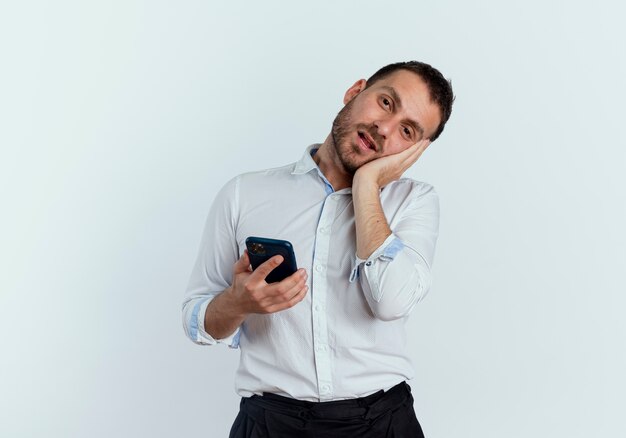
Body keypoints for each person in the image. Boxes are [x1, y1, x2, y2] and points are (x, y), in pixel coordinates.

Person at [182, 60, 454, 437]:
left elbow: (390, 302)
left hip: (383, 423)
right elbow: (197, 321)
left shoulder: (416, 202)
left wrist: (366, 186)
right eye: (387, 103)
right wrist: (238, 302)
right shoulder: (244, 194)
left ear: (415, 151)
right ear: (355, 91)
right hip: (270, 424)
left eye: (406, 131)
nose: (384, 128)